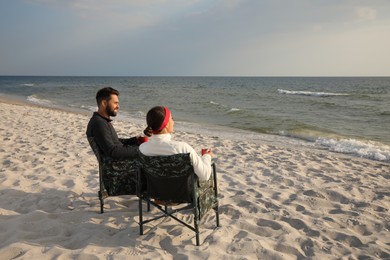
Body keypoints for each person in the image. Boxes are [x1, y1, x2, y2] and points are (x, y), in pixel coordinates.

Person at [139, 106, 213, 181]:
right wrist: (207, 156)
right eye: (171, 119)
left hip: (154, 191)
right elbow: (205, 175)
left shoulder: (142, 149)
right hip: (183, 192)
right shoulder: (182, 148)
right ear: (166, 124)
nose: (173, 122)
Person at [86, 87, 146, 159]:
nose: (118, 106)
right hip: (117, 167)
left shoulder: (102, 121)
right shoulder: (99, 123)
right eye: (115, 103)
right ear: (104, 103)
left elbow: (115, 142)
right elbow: (113, 151)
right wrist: (140, 150)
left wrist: (135, 140)